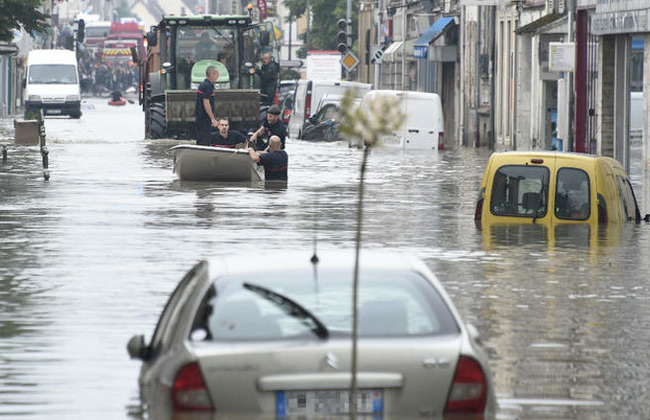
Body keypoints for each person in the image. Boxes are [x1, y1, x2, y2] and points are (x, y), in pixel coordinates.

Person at [195, 66, 219, 146]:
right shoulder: (207, 86)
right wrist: (212, 119)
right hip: (204, 118)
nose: (218, 76)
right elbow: (206, 103)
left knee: (201, 138)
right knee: (204, 139)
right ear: (212, 74)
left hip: (200, 117)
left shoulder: (203, 85)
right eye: (217, 74)